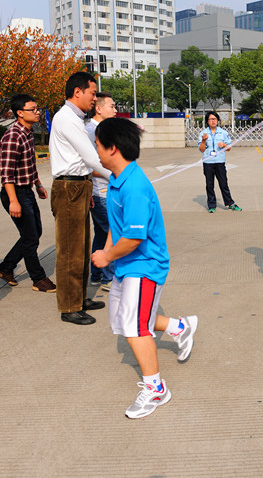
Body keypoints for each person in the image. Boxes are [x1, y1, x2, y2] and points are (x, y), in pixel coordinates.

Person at [90, 117, 198, 419]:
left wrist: (106, 257)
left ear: (112, 148)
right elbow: (118, 224)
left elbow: (134, 237)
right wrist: (108, 252)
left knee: (136, 327)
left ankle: (156, 389)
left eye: (97, 145)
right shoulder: (116, 179)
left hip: (144, 264)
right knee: (124, 321)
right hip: (126, 264)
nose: (95, 150)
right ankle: (180, 327)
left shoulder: (134, 186)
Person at [49, 72, 111, 325]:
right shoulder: (67, 119)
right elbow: (90, 157)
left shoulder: (73, 118)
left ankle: (80, 297)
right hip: (69, 188)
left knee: (82, 247)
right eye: (92, 93)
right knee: (70, 250)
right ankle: (69, 306)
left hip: (80, 186)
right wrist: (120, 176)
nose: (94, 98)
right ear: (78, 92)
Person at [0, 95, 56, 294]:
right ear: (19, 113)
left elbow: (29, 164)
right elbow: (7, 173)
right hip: (15, 194)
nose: (37, 112)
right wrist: (13, 201)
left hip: (26, 191)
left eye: (37, 109)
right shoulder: (13, 135)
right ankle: (38, 278)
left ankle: (5, 268)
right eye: (33, 109)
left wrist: (37, 184)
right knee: (30, 237)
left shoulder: (27, 133)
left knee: (33, 233)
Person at [85, 91, 116, 290]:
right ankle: (108, 278)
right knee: (110, 234)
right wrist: (116, 174)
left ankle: (96, 274)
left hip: (106, 190)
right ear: (99, 108)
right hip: (100, 192)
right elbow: (90, 165)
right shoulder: (90, 131)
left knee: (101, 233)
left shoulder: (101, 129)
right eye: (111, 106)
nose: (115, 110)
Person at [198, 111, 241, 213]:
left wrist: (224, 145)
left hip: (220, 162)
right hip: (208, 163)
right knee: (209, 185)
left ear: (217, 120)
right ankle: (212, 205)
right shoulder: (203, 133)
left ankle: (230, 203)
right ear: (207, 121)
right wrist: (204, 141)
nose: (213, 121)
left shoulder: (223, 133)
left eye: (215, 119)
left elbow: (229, 148)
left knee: (224, 184)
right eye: (211, 119)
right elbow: (201, 149)